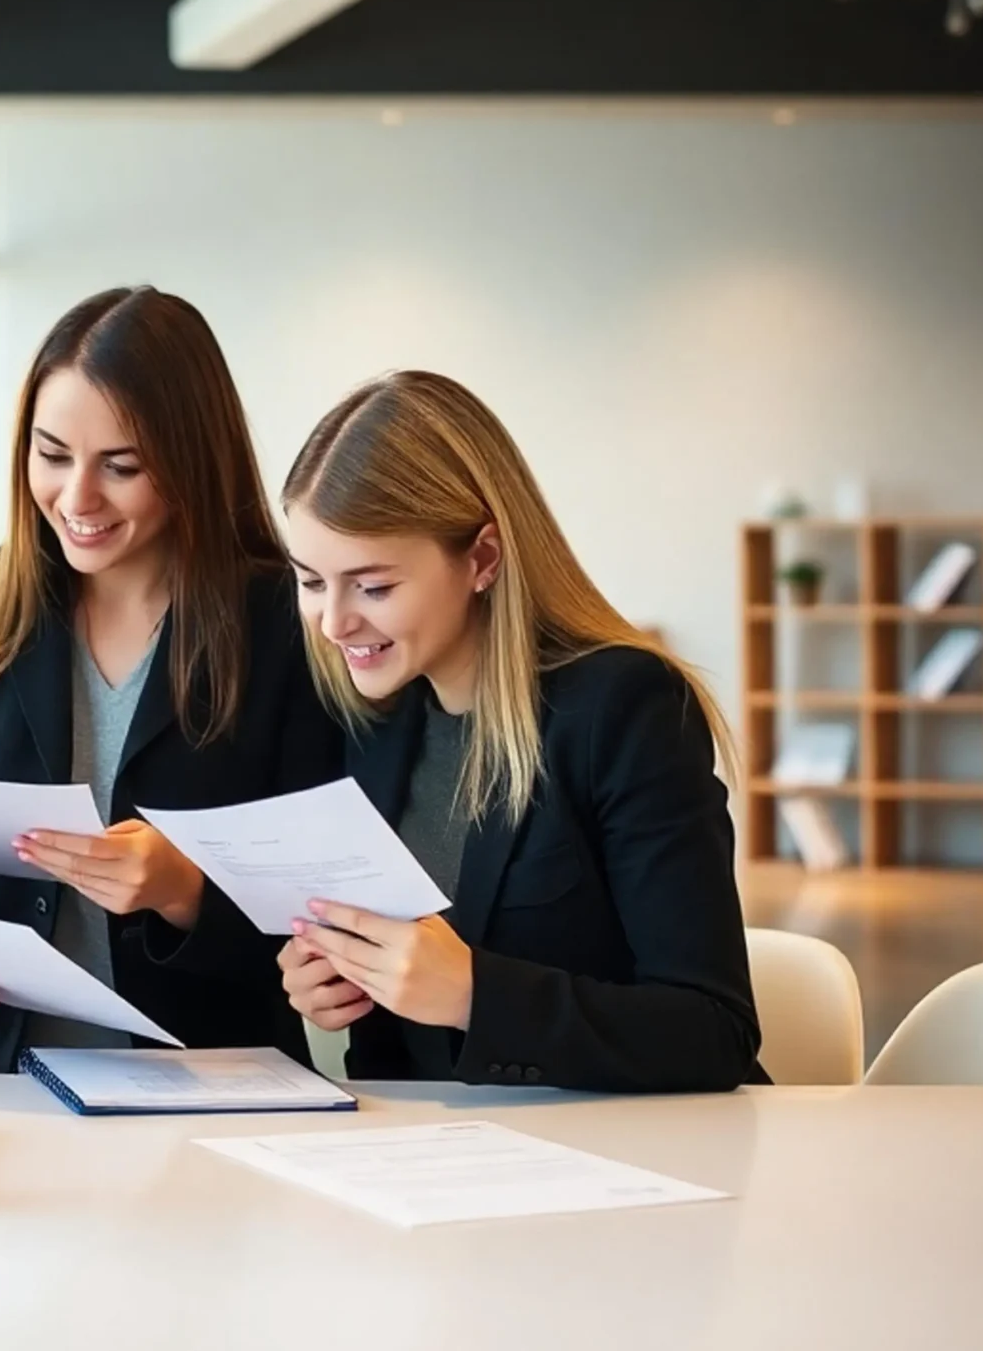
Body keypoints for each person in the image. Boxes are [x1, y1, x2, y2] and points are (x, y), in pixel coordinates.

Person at [0, 286, 344, 1072]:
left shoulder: (284, 619)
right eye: (52, 454)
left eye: (121, 466)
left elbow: (318, 896)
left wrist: (184, 890)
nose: (77, 498)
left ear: (191, 461)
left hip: (209, 1075)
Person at [275, 370, 763, 1093]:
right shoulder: (375, 724)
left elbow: (712, 1030)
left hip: (637, 1161)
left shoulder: (624, 708)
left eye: (373, 586)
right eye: (313, 580)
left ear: (482, 558)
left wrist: (475, 993)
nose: (334, 622)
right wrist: (338, 983)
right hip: (437, 1160)